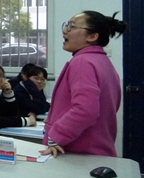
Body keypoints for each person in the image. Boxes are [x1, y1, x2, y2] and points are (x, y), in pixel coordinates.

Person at [41, 11, 126, 158]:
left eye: (71, 26)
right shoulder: (104, 63)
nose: (65, 30)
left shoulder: (82, 62)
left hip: (78, 152)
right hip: (96, 151)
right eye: (66, 25)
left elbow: (86, 110)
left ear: (92, 37)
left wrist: (56, 136)